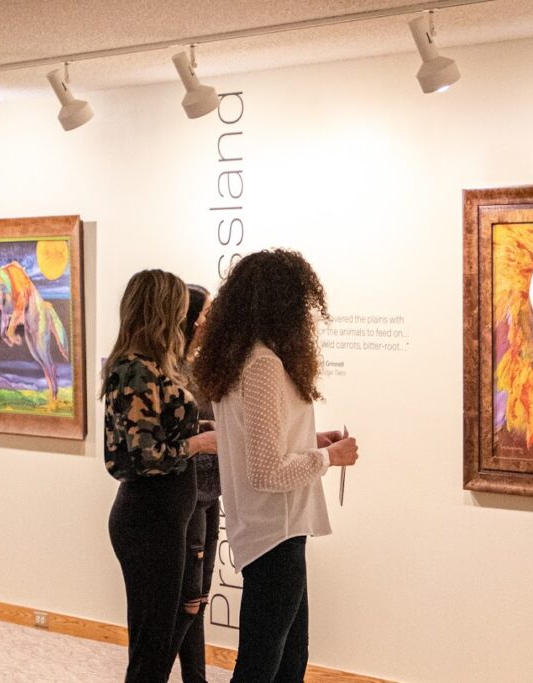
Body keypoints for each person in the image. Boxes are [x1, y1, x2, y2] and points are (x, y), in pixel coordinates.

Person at [193, 249, 359, 683]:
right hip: (276, 532)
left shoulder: (239, 358)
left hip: (268, 529)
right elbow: (267, 472)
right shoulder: (263, 363)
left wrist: (313, 442)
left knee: (287, 657)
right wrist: (329, 457)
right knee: (266, 664)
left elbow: (258, 445)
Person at [102, 269, 218, 683]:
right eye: (183, 308)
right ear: (163, 310)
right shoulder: (134, 369)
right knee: (152, 648)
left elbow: (162, 430)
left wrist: (201, 432)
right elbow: (142, 455)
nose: (192, 317)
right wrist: (199, 445)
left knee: (161, 638)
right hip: (147, 518)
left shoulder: (153, 366)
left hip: (167, 516)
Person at [176, 284, 222, 682]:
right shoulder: (173, 372)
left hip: (211, 494)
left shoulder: (203, 366)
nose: (209, 319)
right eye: (205, 311)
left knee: (200, 598)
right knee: (188, 600)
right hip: (188, 495)